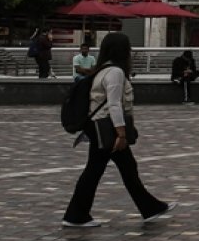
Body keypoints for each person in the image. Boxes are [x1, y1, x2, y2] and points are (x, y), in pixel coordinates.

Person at [62, 32, 175, 227]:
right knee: (98, 171)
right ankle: (76, 215)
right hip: (106, 129)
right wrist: (121, 133)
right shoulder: (115, 72)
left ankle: (150, 207)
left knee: (121, 168)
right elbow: (114, 105)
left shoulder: (103, 70)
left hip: (101, 127)